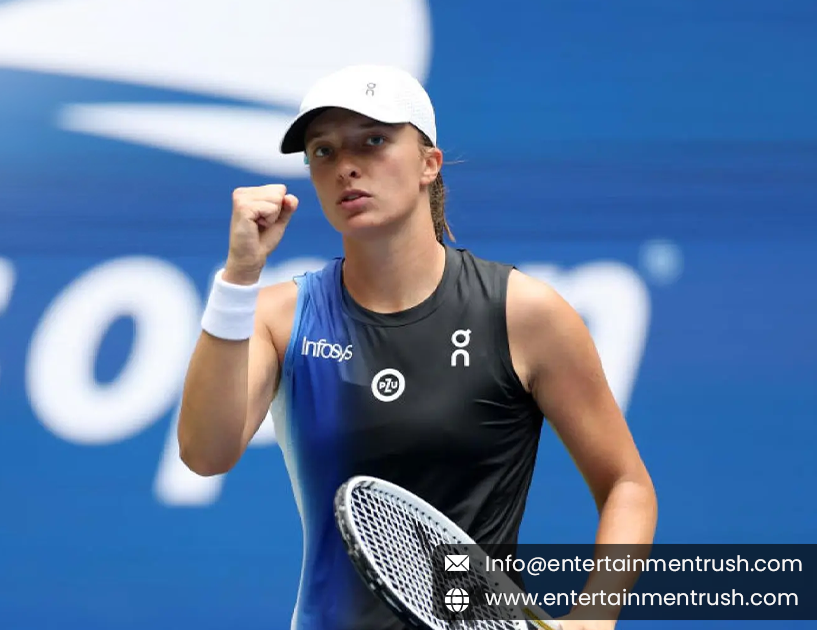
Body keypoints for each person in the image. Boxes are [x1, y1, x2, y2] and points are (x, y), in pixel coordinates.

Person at [176, 64, 657, 630]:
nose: (346, 166)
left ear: (430, 163)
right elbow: (205, 454)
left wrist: (593, 619)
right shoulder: (277, 317)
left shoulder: (523, 313)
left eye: (374, 141)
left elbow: (627, 486)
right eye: (323, 151)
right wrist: (239, 275)